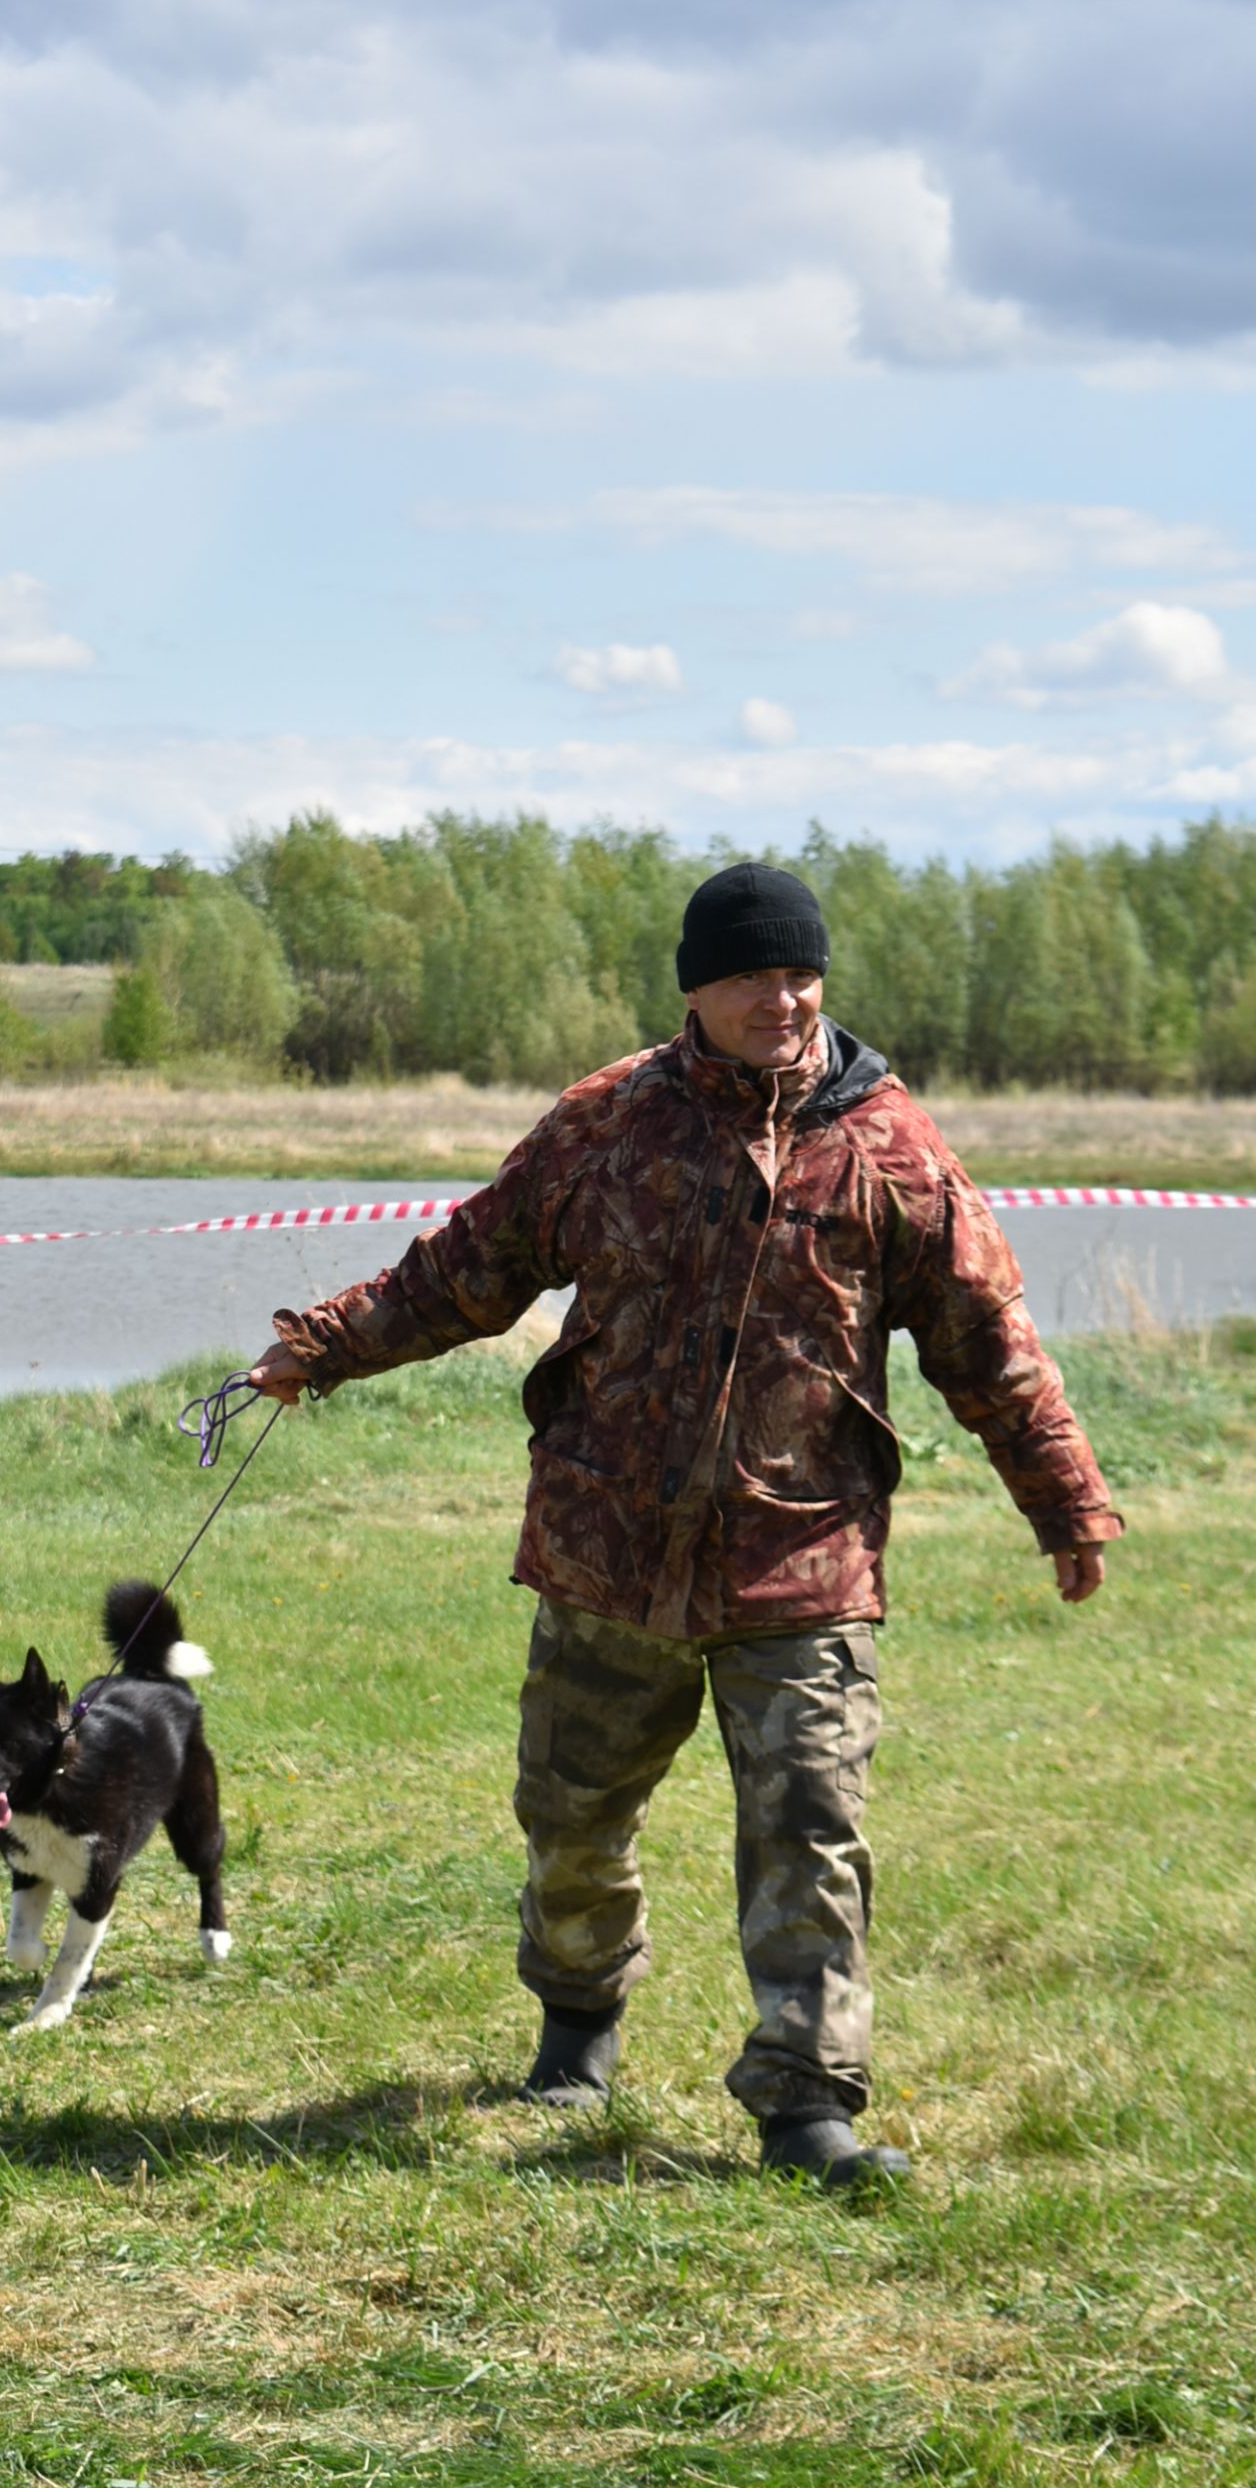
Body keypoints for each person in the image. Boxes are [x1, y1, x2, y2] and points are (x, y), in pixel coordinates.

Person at [248, 861, 1120, 2190]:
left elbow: (988, 1342)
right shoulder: (606, 1125)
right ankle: (577, 2026)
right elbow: (465, 1272)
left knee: (810, 1832)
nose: (786, 996)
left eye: (802, 972)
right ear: (696, 991)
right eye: (755, 975)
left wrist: (1065, 1501)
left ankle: (806, 2104)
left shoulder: (891, 1145)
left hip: (802, 1558)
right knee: (574, 1821)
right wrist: (319, 1349)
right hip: (607, 1553)